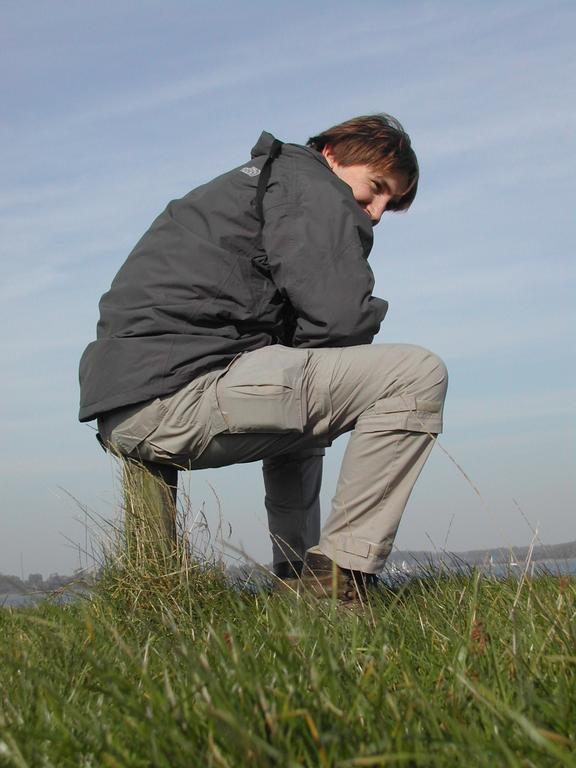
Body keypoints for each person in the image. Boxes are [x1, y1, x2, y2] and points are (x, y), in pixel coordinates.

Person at [79, 114, 448, 603]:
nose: (377, 211)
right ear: (333, 153)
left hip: (130, 403)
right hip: (177, 394)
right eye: (376, 188)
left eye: (391, 204)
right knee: (416, 375)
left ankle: (296, 576)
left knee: (300, 393)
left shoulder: (262, 184)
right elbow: (341, 319)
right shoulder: (310, 186)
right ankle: (336, 581)